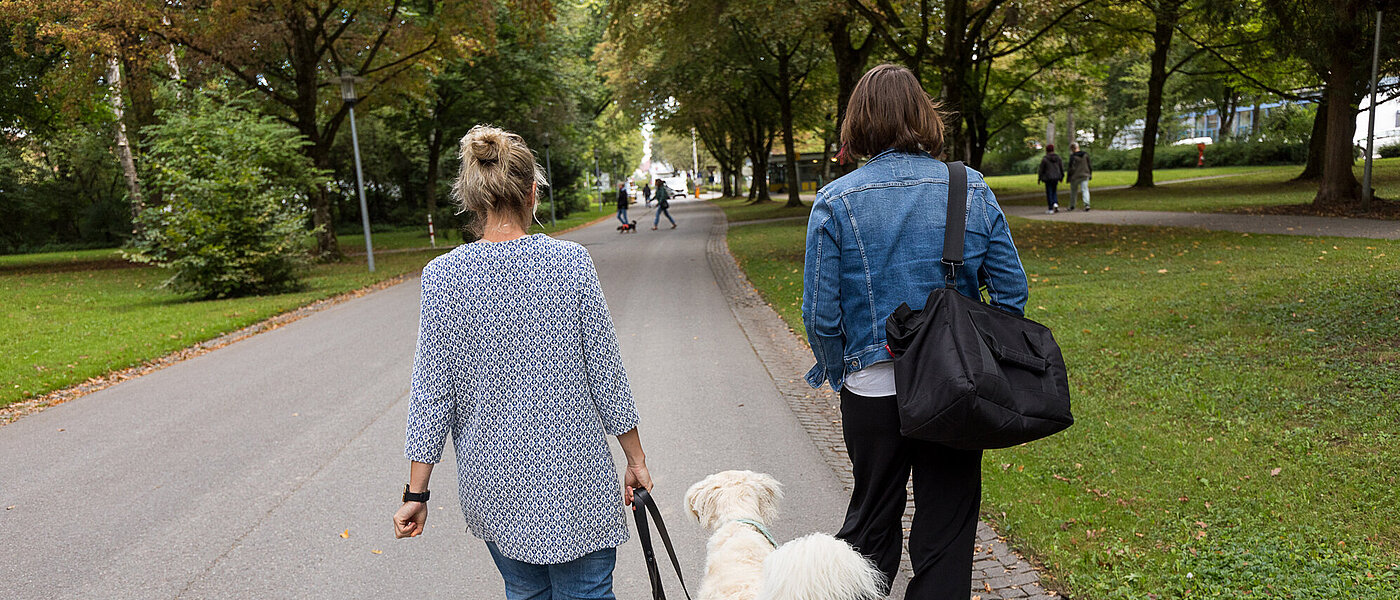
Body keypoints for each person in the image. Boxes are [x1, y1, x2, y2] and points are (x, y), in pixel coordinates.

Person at [394, 124, 652, 600]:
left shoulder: (443, 277)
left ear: (471, 198)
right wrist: (635, 460)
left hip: (494, 488)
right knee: (588, 593)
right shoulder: (571, 262)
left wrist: (416, 495)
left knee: (525, 591)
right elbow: (607, 375)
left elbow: (431, 396)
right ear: (534, 192)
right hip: (579, 482)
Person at [800, 64, 1029, 600]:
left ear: (858, 123)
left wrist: (843, 373)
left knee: (870, 525)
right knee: (947, 530)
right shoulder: (966, 186)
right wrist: (981, 356)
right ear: (924, 116)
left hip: (874, 387)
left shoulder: (836, 200)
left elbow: (820, 314)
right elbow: (1011, 291)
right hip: (954, 387)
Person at [1037, 144, 1064, 214]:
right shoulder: (1058, 158)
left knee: (1049, 192)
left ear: (1047, 150)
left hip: (1048, 178)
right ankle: (1055, 203)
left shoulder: (1045, 159)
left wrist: (1039, 178)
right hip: (1056, 177)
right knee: (1054, 191)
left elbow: (1041, 170)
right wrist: (1062, 176)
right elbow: (1061, 168)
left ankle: (1050, 208)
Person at [1066, 142, 1092, 211]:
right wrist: (1090, 174)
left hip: (1075, 176)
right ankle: (1087, 204)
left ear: (1072, 148)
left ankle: (1072, 205)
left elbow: (1070, 168)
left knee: (1073, 191)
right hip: (1085, 174)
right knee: (1085, 190)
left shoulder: (1073, 157)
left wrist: (1068, 178)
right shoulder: (1085, 154)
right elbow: (1089, 165)